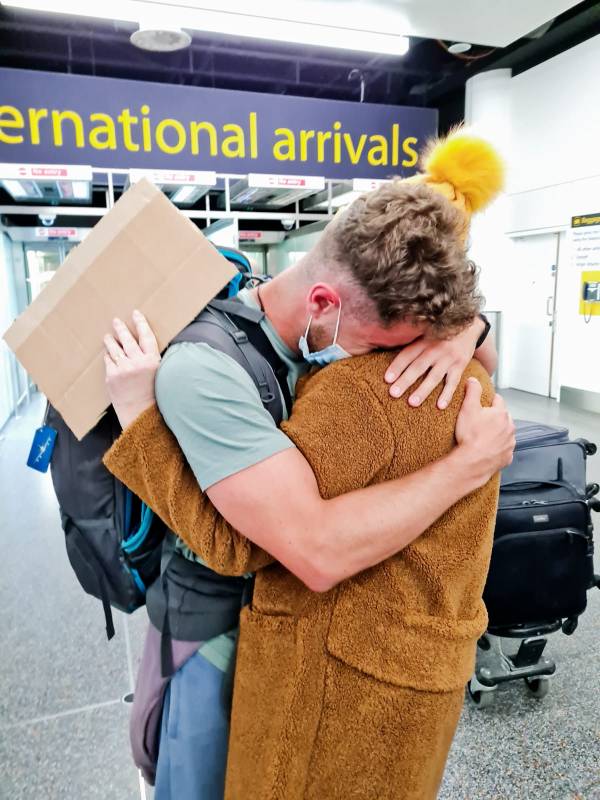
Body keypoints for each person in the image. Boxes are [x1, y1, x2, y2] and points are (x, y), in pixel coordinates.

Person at [103, 131, 514, 798]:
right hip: (213, 630)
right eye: (380, 349)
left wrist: (469, 332)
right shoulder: (204, 373)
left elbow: (457, 352)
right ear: (323, 304)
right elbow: (316, 550)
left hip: (295, 642)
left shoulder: (338, 321)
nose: (383, 370)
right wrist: (471, 463)